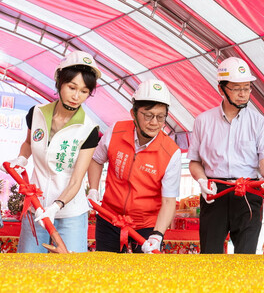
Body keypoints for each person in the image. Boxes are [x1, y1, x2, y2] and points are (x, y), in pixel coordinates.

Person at [1, 50, 101, 253]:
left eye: (83, 91)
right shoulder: (36, 113)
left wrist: (56, 206)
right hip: (35, 206)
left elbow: (76, 180)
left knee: (68, 274)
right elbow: (29, 143)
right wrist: (22, 157)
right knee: (29, 267)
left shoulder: (89, 129)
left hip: (70, 212)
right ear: (59, 82)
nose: (76, 96)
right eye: (72, 87)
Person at [188, 57, 264, 254]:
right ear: (221, 89)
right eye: (237, 88)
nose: (243, 94)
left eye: (247, 88)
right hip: (214, 193)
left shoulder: (258, 122)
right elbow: (194, 162)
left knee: (245, 258)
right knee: (210, 256)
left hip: (248, 192)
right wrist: (202, 180)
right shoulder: (203, 121)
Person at [87, 79, 181, 253]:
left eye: (161, 117)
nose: (154, 122)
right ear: (134, 113)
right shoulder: (116, 131)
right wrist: (93, 189)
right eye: (148, 115)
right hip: (109, 219)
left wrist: (157, 234)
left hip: (146, 226)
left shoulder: (170, 152)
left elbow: (169, 201)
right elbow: (96, 160)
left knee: (145, 277)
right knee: (104, 272)